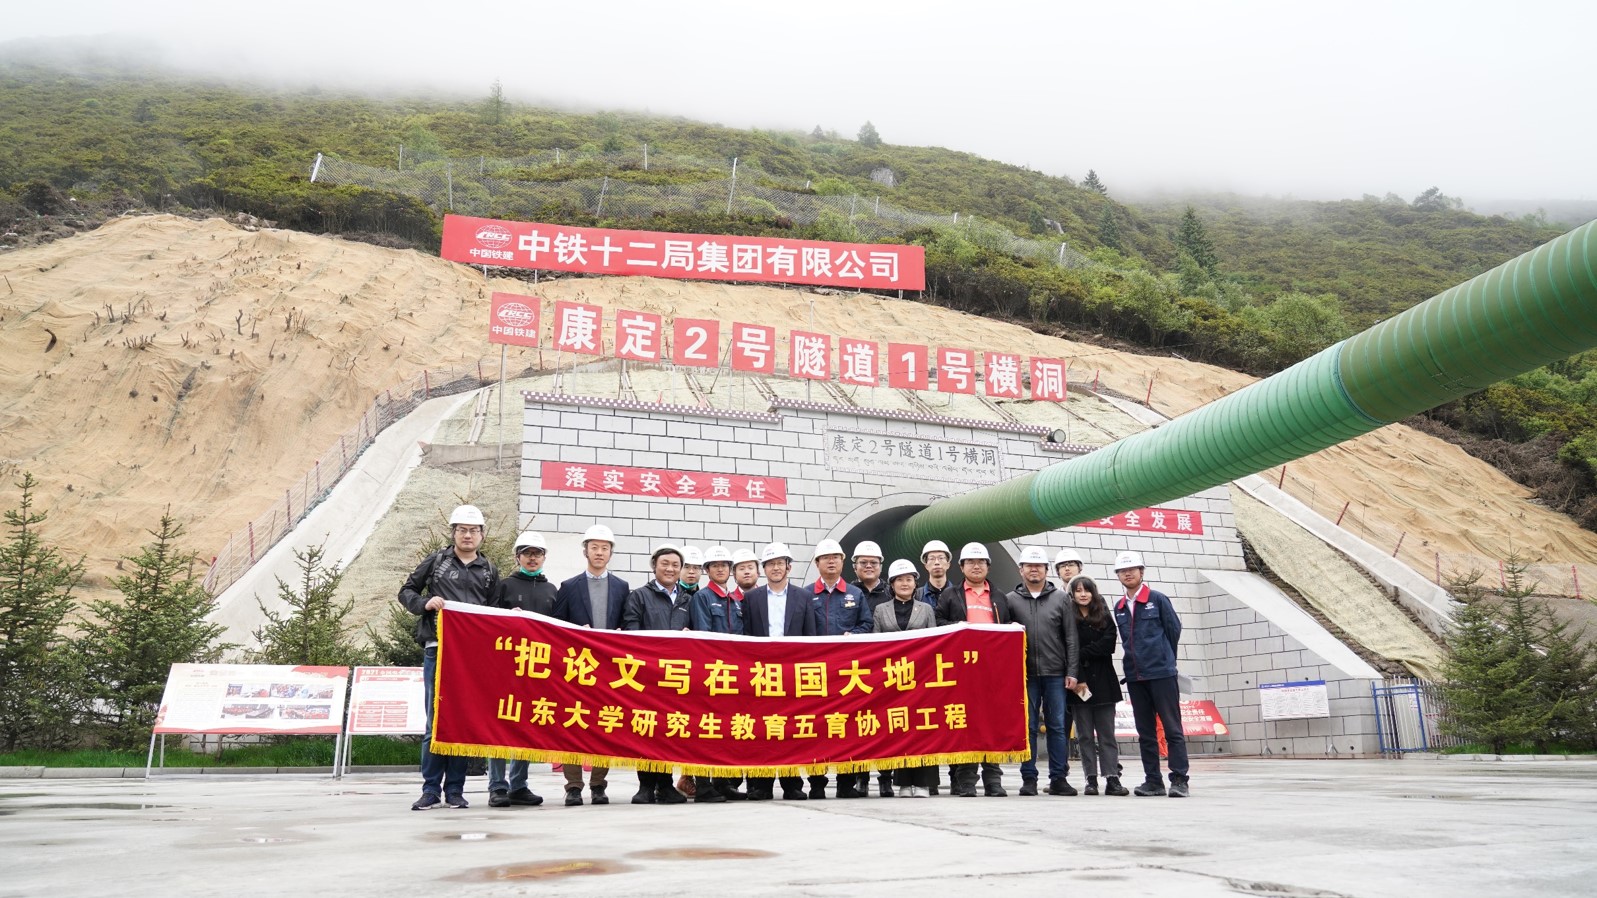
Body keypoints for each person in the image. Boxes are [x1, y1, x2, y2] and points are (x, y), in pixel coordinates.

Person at [398, 504, 499, 811]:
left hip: (471, 657)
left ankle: (455, 789)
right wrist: (425, 603)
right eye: (462, 530)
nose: (468, 535)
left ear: (482, 535)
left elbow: (494, 611)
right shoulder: (437, 561)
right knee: (435, 721)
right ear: (453, 533)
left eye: (473, 531)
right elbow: (407, 591)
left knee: (462, 722)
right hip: (438, 649)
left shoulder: (489, 570)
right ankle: (430, 789)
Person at [551, 524, 630, 807]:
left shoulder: (621, 587)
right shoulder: (569, 587)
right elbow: (556, 627)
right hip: (577, 666)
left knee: (605, 723)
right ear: (585, 551)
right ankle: (573, 786)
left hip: (608, 668)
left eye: (604, 548)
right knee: (573, 723)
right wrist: (575, 633)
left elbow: (627, 623)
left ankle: (598, 784)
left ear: (611, 553)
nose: (599, 552)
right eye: (594, 547)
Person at [741, 543, 819, 801]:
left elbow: (810, 636)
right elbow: (747, 637)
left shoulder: (803, 597)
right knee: (761, 729)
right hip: (761, 673)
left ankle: (792, 784)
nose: (775, 568)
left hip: (792, 672)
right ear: (763, 569)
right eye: (770, 564)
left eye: (780, 563)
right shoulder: (751, 598)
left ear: (789, 567)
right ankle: (760, 785)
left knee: (790, 729)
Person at [486, 530, 556, 809]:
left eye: (537, 554)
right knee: (500, 726)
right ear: (518, 557)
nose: (532, 558)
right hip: (506, 669)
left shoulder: (552, 591)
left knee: (525, 726)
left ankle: (518, 785)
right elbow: (488, 622)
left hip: (536, 670)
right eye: (527, 553)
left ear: (544, 558)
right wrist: (506, 619)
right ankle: (497, 785)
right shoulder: (504, 586)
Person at [621, 544, 695, 805]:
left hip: (675, 677)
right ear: (654, 566)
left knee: (668, 730)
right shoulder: (639, 596)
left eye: (675, 565)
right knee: (646, 727)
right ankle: (645, 786)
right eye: (665, 564)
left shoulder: (687, 600)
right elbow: (630, 631)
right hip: (646, 675)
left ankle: (664, 785)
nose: (670, 569)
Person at [1111, 551, 1189, 798]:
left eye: (1132, 569)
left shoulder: (1158, 599)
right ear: (1118, 575)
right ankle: (1153, 781)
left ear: (1141, 572)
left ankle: (1179, 780)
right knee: (1145, 733)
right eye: (1123, 571)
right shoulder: (1119, 607)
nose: (1128, 574)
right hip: (1136, 677)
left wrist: (1164, 660)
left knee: (1172, 729)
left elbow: (1173, 631)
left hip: (1162, 674)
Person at [935, 542, 1010, 797]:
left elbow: (1008, 627)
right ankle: (966, 781)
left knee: (992, 725)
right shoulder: (950, 595)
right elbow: (939, 622)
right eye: (970, 562)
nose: (976, 566)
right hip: (963, 672)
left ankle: (993, 780)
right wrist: (961, 627)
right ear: (961, 567)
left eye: (981, 562)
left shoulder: (999, 596)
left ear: (988, 566)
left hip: (992, 672)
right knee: (966, 725)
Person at [1005, 546, 1080, 796]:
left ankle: (1059, 778)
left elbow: (1071, 637)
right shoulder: (1010, 600)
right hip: (1024, 675)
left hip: (1056, 673)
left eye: (1038, 566)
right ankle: (1029, 778)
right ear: (1021, 570)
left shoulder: (1061, 598)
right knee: (1027, 727)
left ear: (1047, 570)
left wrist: (1072, 671)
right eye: (1029, 565)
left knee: (1057, 726)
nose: (1034, 570)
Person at [805, 538, 873, 799]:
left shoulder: (855, 594)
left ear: (843, 562)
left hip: (847, 673)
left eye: (836, 557)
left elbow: (866, 624)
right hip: (816, 673)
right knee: (816, 729)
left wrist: (853, 635)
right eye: (826, 557)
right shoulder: (806, 594)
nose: (831, 561)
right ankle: (817, 784)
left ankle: (846, 783)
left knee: (848, 727)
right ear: (817, 563)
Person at [873, 559, 937, 797]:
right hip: (893, 679)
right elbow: (875, 643)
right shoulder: (881, 610)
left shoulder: (926, 609)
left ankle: (923, 783)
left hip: (921, 677)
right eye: (899, 580)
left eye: (909, 579)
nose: (904, 583)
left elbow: (935, 642)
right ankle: (903, 783)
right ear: (891, 584)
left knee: (923, 728)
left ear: (915, 583)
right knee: (899, 728)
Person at [689, 545, 744, 801]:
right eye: (715, 565)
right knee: (705, 730)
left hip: (733, 674)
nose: (720, 569)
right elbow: (704, 636)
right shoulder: (702, 597)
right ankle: (703, 785)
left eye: (724, 565)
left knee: (727, 730)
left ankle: (723, 782)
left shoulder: (736, 600)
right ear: (707, 570)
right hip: (711, 672)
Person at [1067, 575, 1128, 796]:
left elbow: (1109, 644)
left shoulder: (1103, 613)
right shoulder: (1068, 616)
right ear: (1072, 594)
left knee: (1106, 734)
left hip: (1104, 682)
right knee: (1084, 735)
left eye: (1087, 590)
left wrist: (1080, 652)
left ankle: (1112, 777)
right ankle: (1090, 779)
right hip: (1078, 681)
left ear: (1093, 593)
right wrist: (1078, 669)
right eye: (1078, 591)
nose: (1083, 594)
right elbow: (1066, 647)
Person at [851, 540, 893, 797]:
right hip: (856, 671)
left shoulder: (891, 592)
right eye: (863, 562)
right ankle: (861, 776)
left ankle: (886, 777)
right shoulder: (848, 592)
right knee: (859, 724)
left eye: (873, 562)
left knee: (887, 723)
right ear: (854, 566)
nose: (868, 566)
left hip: (886, 668)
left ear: (881, 566)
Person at [919, 540, 952, 606]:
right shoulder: (917, 596)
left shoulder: (959, 594)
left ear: (948, 564)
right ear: (926, 566)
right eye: (932, 559)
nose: (937, 562)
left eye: (941, 558)